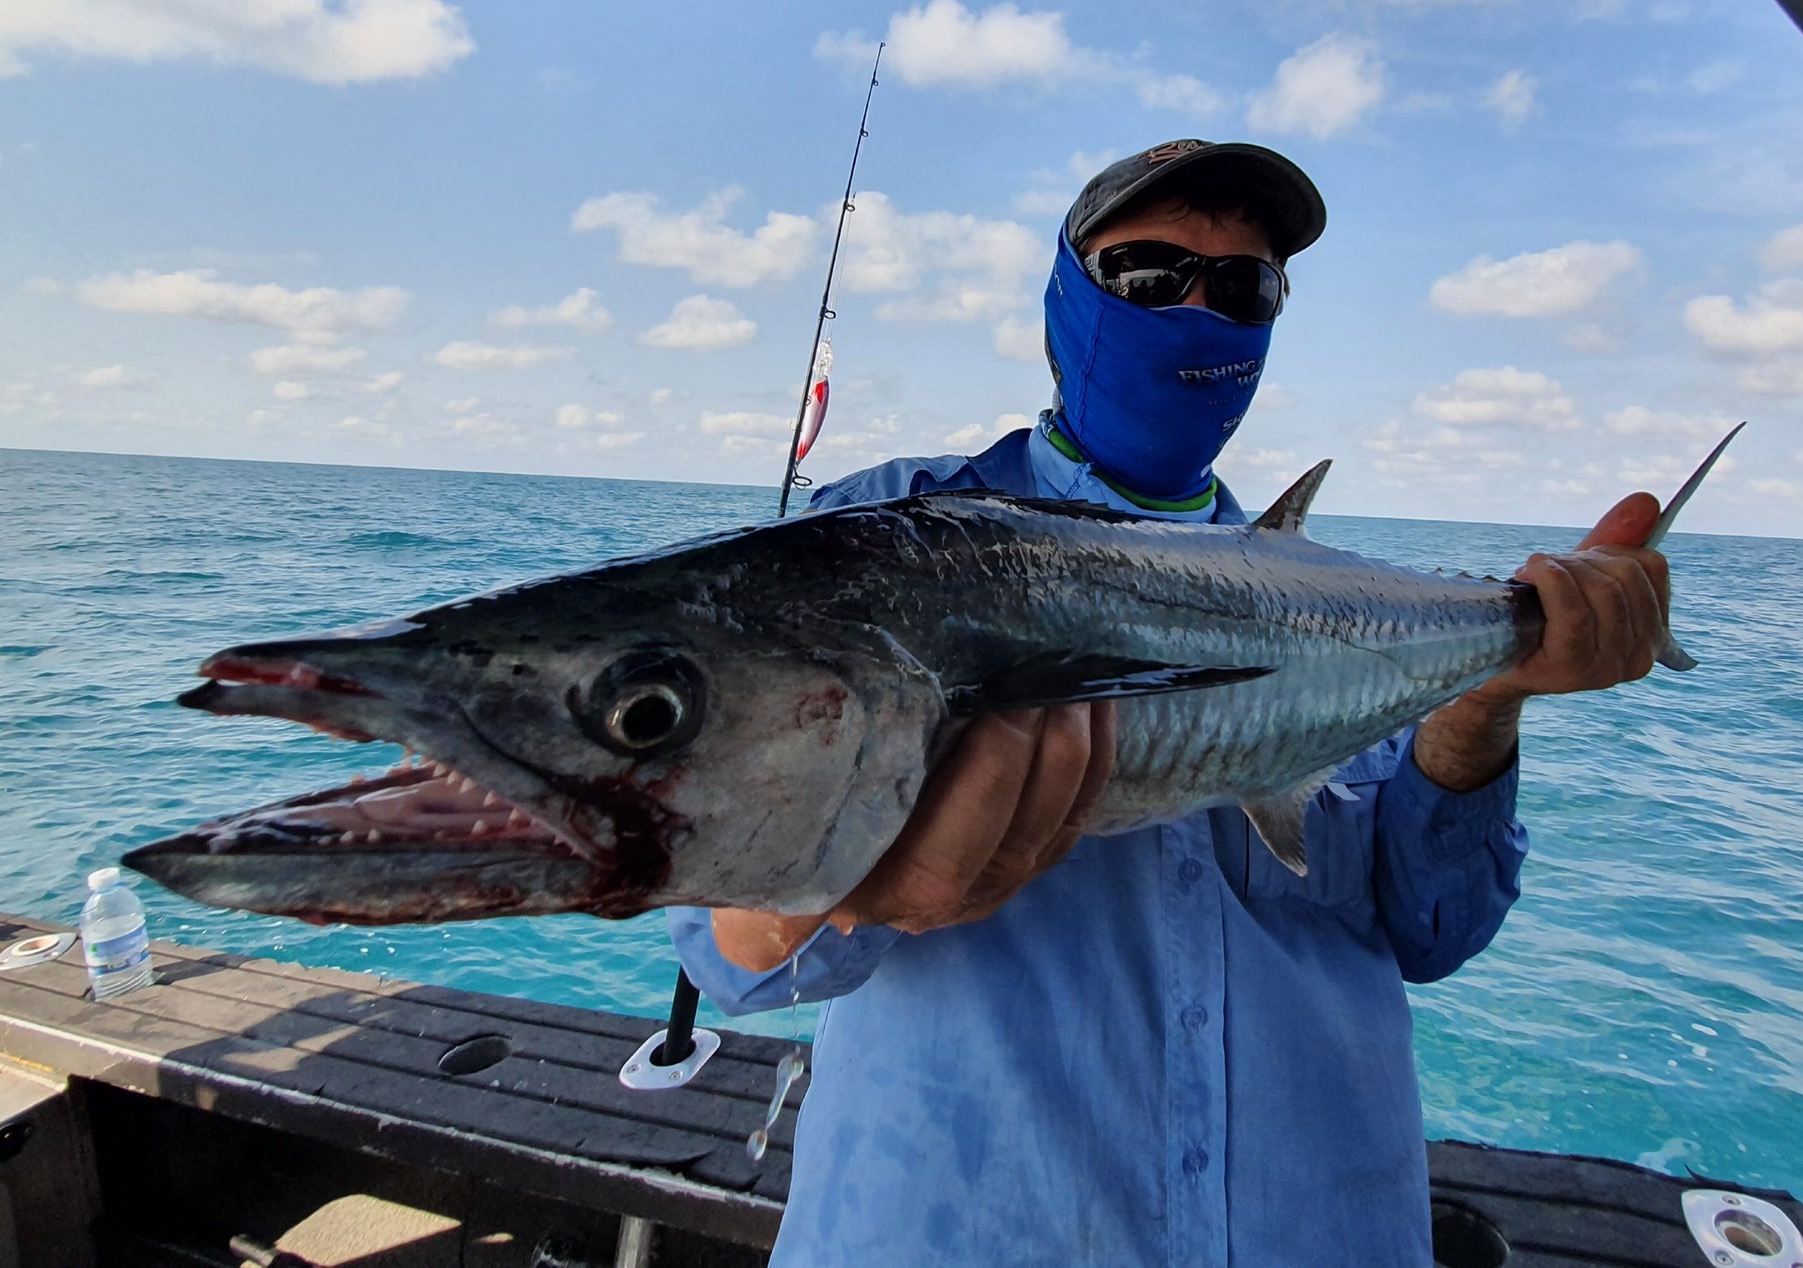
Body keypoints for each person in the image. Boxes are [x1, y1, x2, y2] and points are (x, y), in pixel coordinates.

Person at [666, 139, 1671, 1266]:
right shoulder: (879, 538)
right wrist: (834, 887)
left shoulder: (1349, 605)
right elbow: (728, 954)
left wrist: (1484, 703)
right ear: (1062, 295)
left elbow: (1433, 928)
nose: (1196, 312)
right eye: (1146, 275)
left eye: (1240, 287)